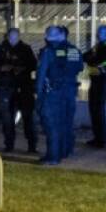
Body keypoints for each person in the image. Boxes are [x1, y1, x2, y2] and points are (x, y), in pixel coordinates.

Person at [34, 25, 83, 165]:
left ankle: (53, 157)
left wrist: (38, 94)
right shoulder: (74, 50)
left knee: (51, 125)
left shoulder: (48, 51)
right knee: (65, 123)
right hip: (69, 93)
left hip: (52, 93)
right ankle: (65, 151)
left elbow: (41, 74)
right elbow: (80, 67)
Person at [0, 28, 38, 153]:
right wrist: (1, 67)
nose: (13, 39)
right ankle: (9, 145)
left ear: (19, 36)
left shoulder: (26, 49)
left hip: (24, 88)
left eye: (15, 37)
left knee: (28, 118)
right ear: (7, 36)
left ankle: (32, 146)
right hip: (5, 87)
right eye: (11, 37)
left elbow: (34, 65)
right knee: (7, 119)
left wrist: (22, 68)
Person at [82, 25, 106, 148]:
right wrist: (91, 59)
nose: (98, 34)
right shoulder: (98, 46)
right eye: (98, 32)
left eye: (101, 32)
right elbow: (85, 56)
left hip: (102, 79)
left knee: (98, 109)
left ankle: (102, 140)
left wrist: (91, 59)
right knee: (93, 109)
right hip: (95, 79)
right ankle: (98, 137)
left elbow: (98, 60)